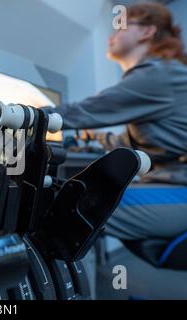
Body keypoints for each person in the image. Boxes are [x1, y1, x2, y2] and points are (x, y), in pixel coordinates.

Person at [49, 3, 187, 242]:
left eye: (120, 27)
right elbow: (127, 141)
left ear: (146, 32)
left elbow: (82, 111)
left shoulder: (158, 74)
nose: (112, 35)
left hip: (181, 191)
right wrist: (89, 137)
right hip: (173, 184)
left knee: (70, 205)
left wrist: (21, 114)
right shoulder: (164, 76)